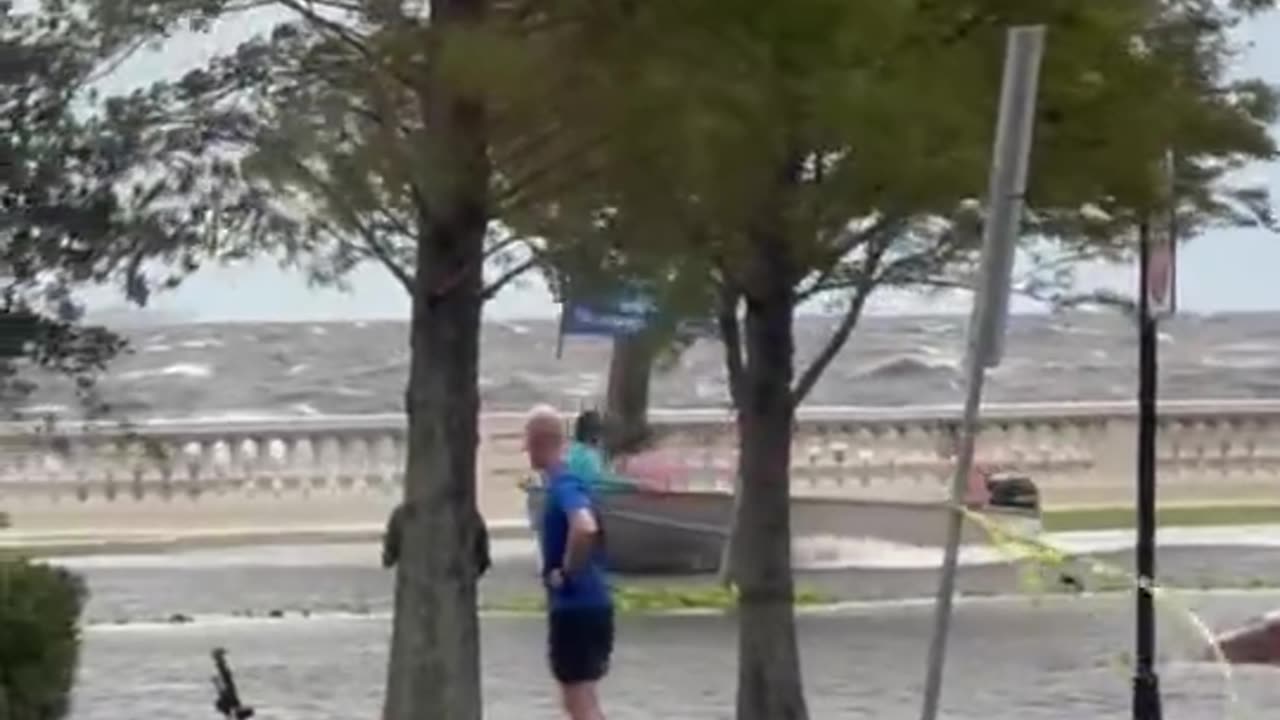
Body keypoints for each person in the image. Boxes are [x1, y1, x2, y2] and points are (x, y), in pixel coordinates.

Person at [525, 405, 613, 720]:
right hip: (594, 603)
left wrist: (566, 572)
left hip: (575, 607)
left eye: (528, 441)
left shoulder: (563, 484)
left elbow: (584, 526)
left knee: (578, 701)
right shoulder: (568, 481)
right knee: (583, 698)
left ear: (538, 442)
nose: (525, 450)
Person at [381, 502, 491, 576]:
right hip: (455, 595)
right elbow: (482, 561)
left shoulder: (402, 515)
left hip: (415, 596)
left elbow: (388, 558)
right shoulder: (466, 513)